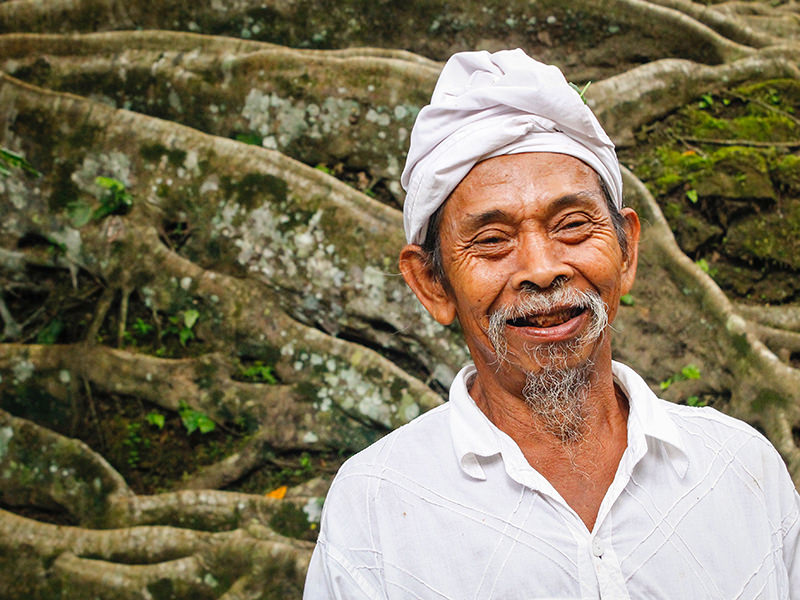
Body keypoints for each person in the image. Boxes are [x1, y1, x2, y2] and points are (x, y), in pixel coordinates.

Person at [303, 49, 800, 599]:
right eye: (492, 240)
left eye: (572, 225)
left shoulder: (741, 468)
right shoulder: (375, 506)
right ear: (432, 285)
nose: (541, 270)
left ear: (627, 251)